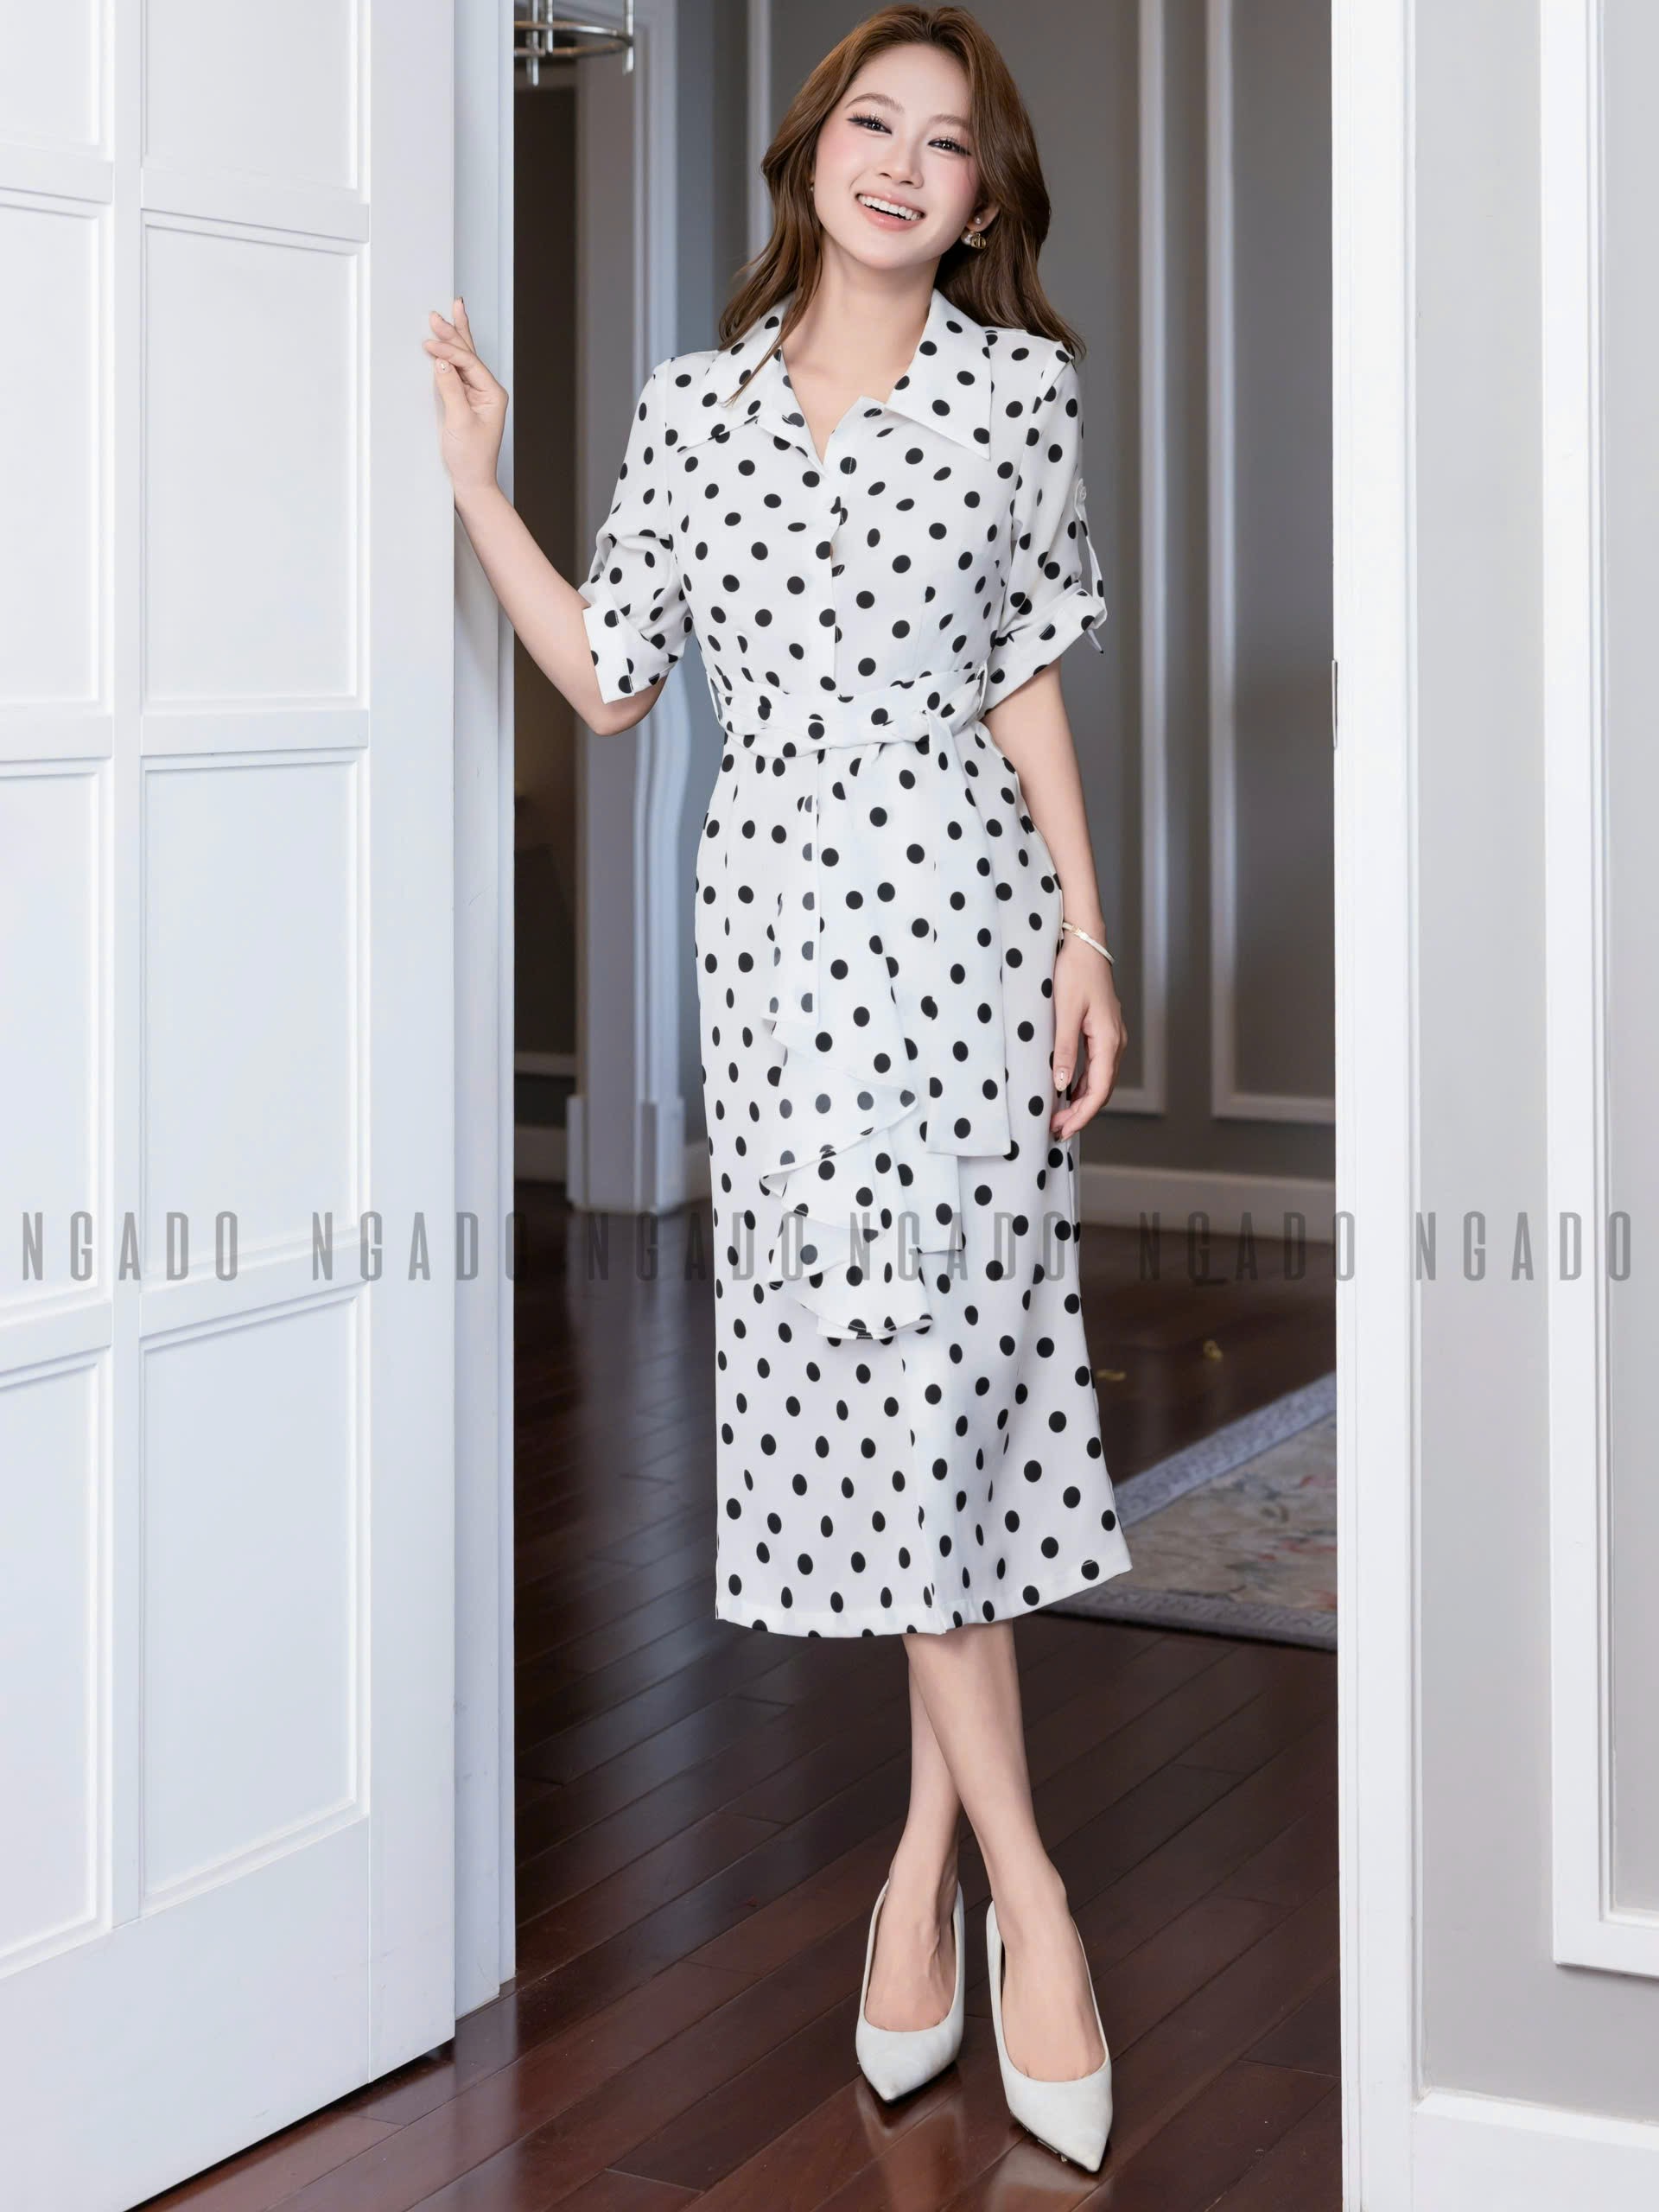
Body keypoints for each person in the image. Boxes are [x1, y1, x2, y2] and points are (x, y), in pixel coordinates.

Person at [426, 3, 1130, 2172]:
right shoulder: (692, 408)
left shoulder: (1021, 395)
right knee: (883, 1392)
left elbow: (1023, 670)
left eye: (948, 143)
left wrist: (1088, 934)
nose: (903, 163)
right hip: (785, 975)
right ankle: (995, 1884)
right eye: (871, 124)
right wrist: (478, 491)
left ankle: (974, 1891)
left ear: (983, 202)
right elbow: (613, 679)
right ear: (811, 153)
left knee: (954, 1388)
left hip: (974, 934)